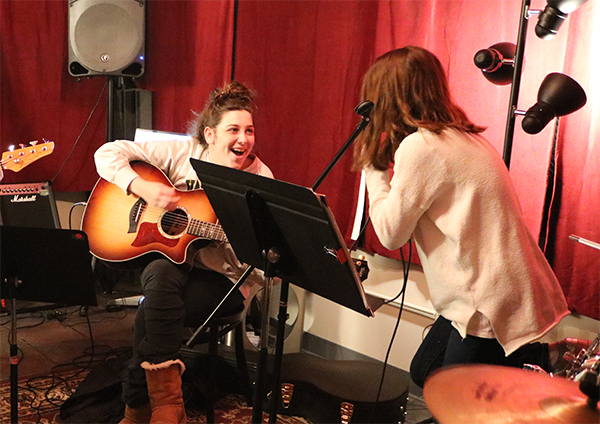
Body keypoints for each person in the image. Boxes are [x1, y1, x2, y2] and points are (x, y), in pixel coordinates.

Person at [352, 46, 574, 387]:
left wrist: (372, 165)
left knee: (452, 400)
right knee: (425, 370)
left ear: (387, 98)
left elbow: (389, 233)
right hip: (499, 293)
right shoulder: (465, 137)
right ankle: (541, 360)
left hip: (488, 304)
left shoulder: (421, 148)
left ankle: (538, 365)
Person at [94, 81, 272, 423]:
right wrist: (141, 185)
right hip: (172, 263)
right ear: (210, 134)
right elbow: (107, 152)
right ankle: (167, 408)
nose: (243, 139)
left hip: (220, 280)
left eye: (249, 130)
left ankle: (137, 409)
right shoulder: (181, 152)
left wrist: (232, 239)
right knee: (161, 274)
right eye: (233, 129)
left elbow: (253, 262)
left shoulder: (259, 177)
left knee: (153, 311)